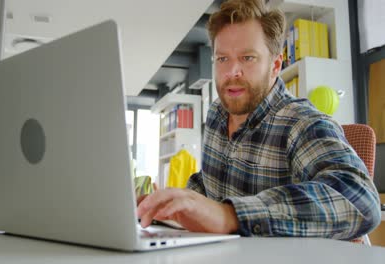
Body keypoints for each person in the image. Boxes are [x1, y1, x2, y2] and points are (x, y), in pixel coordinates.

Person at [137, 0, 381, 240]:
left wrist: (230, 215)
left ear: (275, 65)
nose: (232, 71)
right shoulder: (216, 113)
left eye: (247, 58)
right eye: (223, 59)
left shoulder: (303, 123)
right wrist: (174, 203)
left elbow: (360, 199)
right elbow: (210, 181)